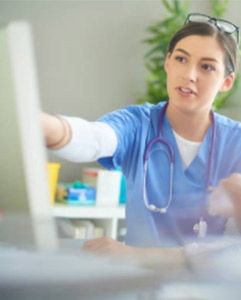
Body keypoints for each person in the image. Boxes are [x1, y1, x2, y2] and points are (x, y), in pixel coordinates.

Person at [42, 13, 241, 259]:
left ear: (226, 82)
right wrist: (43, 126)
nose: (189, 74)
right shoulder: (138, 124)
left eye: (207, 66)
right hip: (138, 288)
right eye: (181, 59)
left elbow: (234, 252)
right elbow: (93, 138)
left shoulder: (236, 142)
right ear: (167, 63)